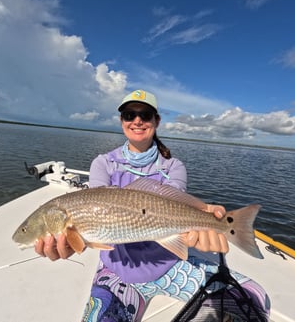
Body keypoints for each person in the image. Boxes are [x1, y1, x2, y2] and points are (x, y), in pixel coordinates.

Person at [35, 90, 270, 321]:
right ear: (122, 121)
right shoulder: (103, 163)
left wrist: (206, 220)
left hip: (169, 266)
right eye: (129, 115)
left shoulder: (173, 166)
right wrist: (74, 242)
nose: (137, 120)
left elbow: (177, 203)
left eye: (145, 115)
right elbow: (93, 217)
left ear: (156, 121)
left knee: (255, 300)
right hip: (117, 271)